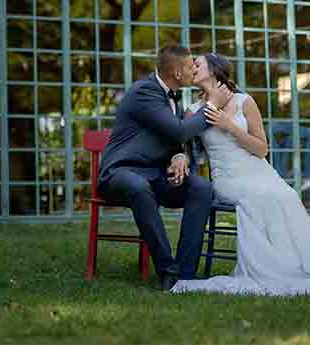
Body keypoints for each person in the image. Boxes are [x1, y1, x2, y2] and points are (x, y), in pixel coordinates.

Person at [171, 52, 310, 297]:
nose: (191, 67)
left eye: (197, 64)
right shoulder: (194, 110)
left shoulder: (244, 101)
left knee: (285, 194)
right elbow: (181, 139)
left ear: (214, 70)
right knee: (259, 197)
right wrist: (180, 155)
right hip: (227, 178)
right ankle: (275, 268)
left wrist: (230, 127)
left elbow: (261, 149)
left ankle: (306, 265)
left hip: (258, 171)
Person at [98, 44, 234, 291]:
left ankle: (185, 275)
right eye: (190, 65)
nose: (194, 68)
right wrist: (212, 103)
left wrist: (179, 155)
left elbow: (173, 138)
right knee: (139, 187)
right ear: (177, 73)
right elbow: (180, 130)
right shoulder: (145, 92)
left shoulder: (173, 97)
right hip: (120, 174)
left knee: (201, 188)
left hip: (155, 176)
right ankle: (168, 272)